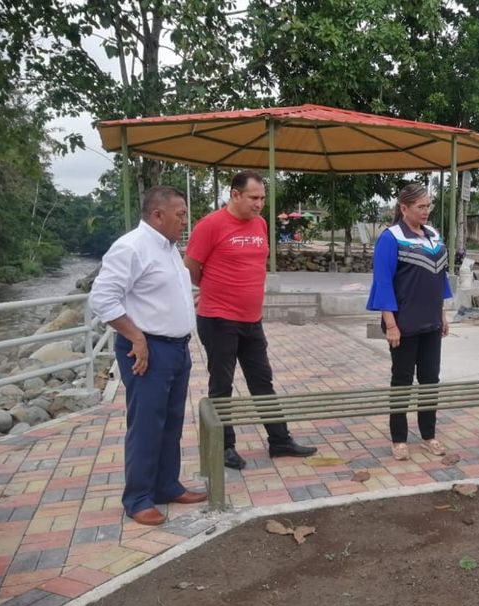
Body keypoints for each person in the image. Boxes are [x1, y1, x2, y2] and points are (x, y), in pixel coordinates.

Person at [89, 186, 206, 526]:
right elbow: (102, 298)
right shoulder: (132, 247)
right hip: (148, 350)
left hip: (177, 348)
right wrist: (135, 336)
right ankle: (138, 498)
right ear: (157, 215)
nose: (185, 222)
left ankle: (167, 485)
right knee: (146, 425)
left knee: (171, 422)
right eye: (180, 215)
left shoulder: (168, 248)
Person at [184, 170, 317, 470]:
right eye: (253, 198)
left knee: (262, 380)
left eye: (262, 198)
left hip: (251, 319)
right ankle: (224, 447)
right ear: (235, 195)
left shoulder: (260, 224)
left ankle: (280, 441)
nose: (259, 204)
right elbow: (190, 266)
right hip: (218, 318)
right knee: (222, 385)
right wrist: (210, 287)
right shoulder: (210, 225)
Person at [367, 183, 452, 461]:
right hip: (403, 324)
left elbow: (440, 278)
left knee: (430, 380)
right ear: (404, 208)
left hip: (430, 322)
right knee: (402, 381)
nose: (426, 211)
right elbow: (382, 283)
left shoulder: (434, 236)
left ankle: (428, 435)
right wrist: (391, 325)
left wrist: (441, 314)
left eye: (428, 205)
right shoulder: (390, 238)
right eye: (420, 206)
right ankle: (399, 439)